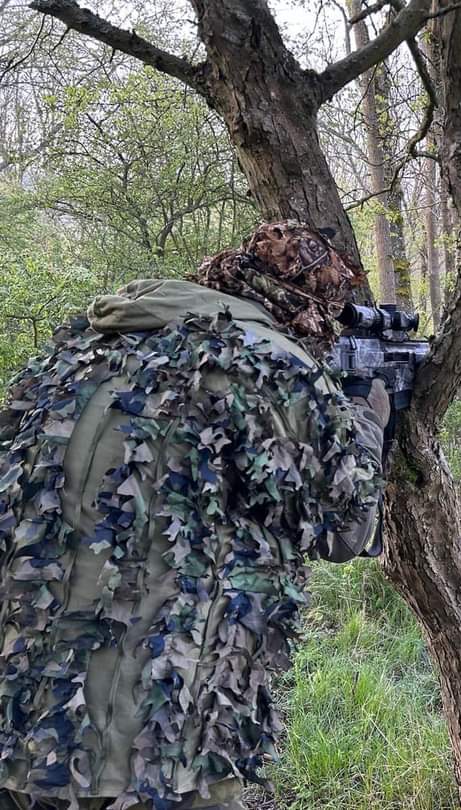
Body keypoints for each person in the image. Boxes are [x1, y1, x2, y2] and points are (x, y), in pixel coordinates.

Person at [0, 222, 390, 810]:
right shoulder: (268, 364)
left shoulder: (77, 351)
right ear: (310, 304)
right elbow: (344, 527)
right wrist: (366, 423)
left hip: (23, 723)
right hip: (159, 742)